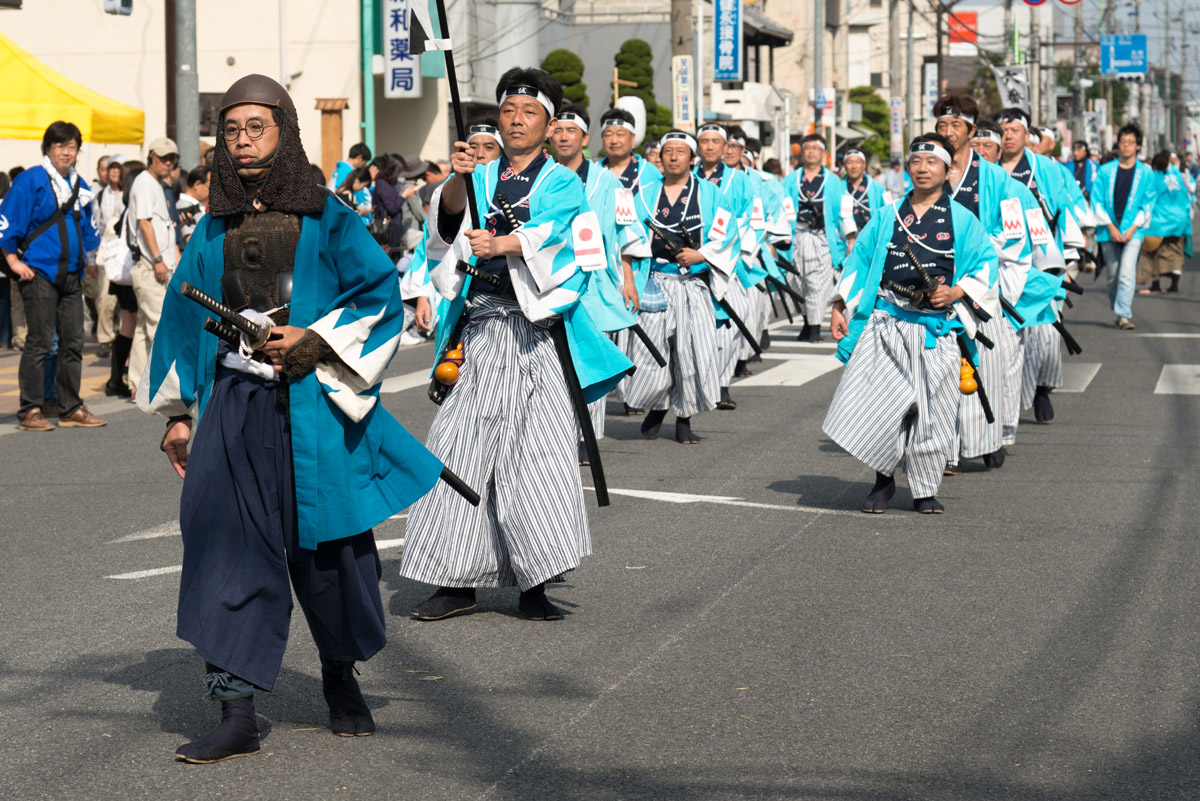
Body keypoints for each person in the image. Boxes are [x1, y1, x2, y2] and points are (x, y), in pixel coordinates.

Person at [139, 74, 443, 763]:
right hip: (233, 408)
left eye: (257, 127)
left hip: (312, 406)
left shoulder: (329, 216)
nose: (242, 141)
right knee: (223, 546)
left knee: (333, 553)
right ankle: (235, 708)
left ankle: (341, 676)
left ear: (286, 130)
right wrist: (179, 414)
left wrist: (314, 338)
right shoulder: (210, 223)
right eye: (232, 129)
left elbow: (378, 296)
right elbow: (183, 322)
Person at [399, 67, 633, 621]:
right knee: (457, 450)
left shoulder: (564, 181)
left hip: (536, 336)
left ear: (549, 123)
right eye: (509, 112)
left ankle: (534, 584)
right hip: (479, 332)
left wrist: (504, 241)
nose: (518, 121)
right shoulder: (478, 177)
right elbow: (446, 228)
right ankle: (455, 579)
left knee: (538, 459)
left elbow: (559, 237)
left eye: (530, 113)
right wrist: (456, 179)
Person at [823, 134, 998, 514]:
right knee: (882, 406)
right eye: (916, 161)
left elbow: (986, 264)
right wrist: (841, 303)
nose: (922, 168)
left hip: (935, 328)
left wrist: (956, 292)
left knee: (933, 411)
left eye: (931, 162)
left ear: (948, 170)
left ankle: (924, 489)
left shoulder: (964, 220)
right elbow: (860, 260)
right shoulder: (888, 214)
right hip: (887, 321)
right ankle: (883, 479)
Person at [618, 129, 740, 443]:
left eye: (680, 152)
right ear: (660, 157)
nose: (673, 157)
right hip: (654, 281)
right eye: (667, 152)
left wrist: (701, 253)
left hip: (692, 282)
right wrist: (628, 279)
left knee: (690, 350)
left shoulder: (711, 194)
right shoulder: (643, 193)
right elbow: (627, 237)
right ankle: (657, 407)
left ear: (691, 157)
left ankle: (684, 418)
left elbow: (727, 235)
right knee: (653, 351)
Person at [549, 103, 643, 458]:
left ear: (585, 138)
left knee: (588, 357)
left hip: (594, 285)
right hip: (549, 281)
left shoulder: (610, 182)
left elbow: (629, 232)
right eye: (557, 130)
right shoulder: (539, 175)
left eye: (571, 130)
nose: (563, 136)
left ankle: (586, 436)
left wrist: (628, 279)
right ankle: (556, 435)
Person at [0, 121, 105, 431]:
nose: (66, 152)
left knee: (73, 342)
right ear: (48, 148)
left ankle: (68, 405)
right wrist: (12, 262)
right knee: (39, 342)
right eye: (60, 146)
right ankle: (29, 409)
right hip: (39, 272)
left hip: (72, 274)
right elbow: (7, 222)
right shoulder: (31, 179)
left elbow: (88, 225)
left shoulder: (80, 184)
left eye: (71, 147)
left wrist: (90, 259)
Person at [996, 107, 1081, 422]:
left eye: (1014, 130)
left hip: (1042, 257)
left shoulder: (1045, 168)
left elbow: (1064, 213)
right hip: (1003, 259)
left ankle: (1043, 387)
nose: (1007, 136)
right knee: (1012, 334)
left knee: (1046, 333)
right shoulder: (989, 169)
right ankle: (1011, 400)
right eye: (1003, 131)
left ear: (1026, 135)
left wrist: (1065, 261)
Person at [694, 123, 753, 408]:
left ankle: (723, 383)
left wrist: (718, 252)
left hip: (729, 261)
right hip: (688, 264)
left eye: (715, 142)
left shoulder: (739, 181)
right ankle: (699, 385)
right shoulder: (684, 176)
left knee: (729, 327)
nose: (709, 146)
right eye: (703, 141)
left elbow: (746, 222)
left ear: (725, 146)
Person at [780, 133, 857, 342]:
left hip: (822, 237)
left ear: (823, 153)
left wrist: (850, 238)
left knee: (817, 282)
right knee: (796, 281)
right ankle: (807, 321)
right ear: (802, 152)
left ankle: (814, 328)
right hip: (796, 236)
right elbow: (780, 209)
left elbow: (843, 211)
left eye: (816, 147)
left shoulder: (833, 181)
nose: (812, 151)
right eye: (808, 147)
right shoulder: (791, 179)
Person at [127, 137, 181, 392]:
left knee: (143, 328)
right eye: (163, 157)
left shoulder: (156, 184)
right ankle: (159, 382)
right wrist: (159, 259)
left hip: (155, 266)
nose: (168, 162)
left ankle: (136, 382)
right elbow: (144, 223)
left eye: (171, 158)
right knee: (158, 325)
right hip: (151, 266)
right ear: (151, 157)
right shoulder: (146, 183)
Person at [1092, 122, 1155, 330]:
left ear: (1138, 146)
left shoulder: (1146, 173)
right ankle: (1118, 308)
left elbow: (1147, 204)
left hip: (1133, 232)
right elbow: (1096, 200)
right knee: (1113, 277)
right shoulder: (1105, 171)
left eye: (1130, 142)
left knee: (1127, 273)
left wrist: (1132, 229)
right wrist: (1110, 227)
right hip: (1107, 230)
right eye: (1123, 142)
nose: (1126, 145)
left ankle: (1123, 314)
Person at [1137, 150, 1192, 295]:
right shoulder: (1177, 174)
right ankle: (1174, 285)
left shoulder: (1154, 177)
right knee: (1175, 252)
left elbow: (1149, 198)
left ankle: (1155, 285)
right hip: (1181, 219)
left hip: (1160, 220)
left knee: (1151, 251)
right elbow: (1187, 195)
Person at [88, 157, 125, 357]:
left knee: (125, 300)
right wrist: (91, 260)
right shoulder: (100, 196)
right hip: (107, 251)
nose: (113, 172)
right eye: (111, 169)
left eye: (118, 169)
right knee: (104, 297)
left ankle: (121, 334)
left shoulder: (129, 194)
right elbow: (94, 227)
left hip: (126, 252)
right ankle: (105, 338)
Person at [598, 107, 662, 193]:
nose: (614, 141)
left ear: (632, 139)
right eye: (608, 135)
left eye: (620, 134)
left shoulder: (649, 171)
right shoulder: (594, 171)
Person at [842, 148, 890, 234]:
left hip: (872, 237)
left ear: (864, 165)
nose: (854, 166)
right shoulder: (839, 187)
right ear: (845, 166)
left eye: (857, 162)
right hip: (846, 240)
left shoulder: (878, 187)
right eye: (849, 162)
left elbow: (889, 211)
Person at [176, 165, 210, 247]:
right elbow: (190, 241)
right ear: (197, 184)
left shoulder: (197, 205)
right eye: (210, 187)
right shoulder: (184, 207)